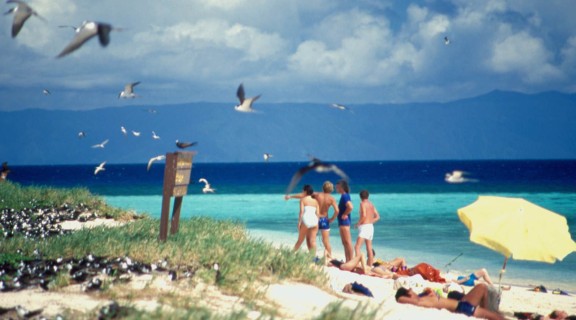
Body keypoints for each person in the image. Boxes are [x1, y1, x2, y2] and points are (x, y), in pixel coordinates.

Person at [285, 181, 339, 257]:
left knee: (309, 239)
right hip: (324, 219)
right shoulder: (332, 199)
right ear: (331, 190)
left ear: (323, 188)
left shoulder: (317, 195)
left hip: (314, 219)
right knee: (326, 242)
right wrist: (332, 219)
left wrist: (291, 197)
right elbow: (337, 210)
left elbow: (303, 195)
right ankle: (329, 258)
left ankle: (312, 257)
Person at [395, 283, 505, 320]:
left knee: (482, 288)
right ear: (409, 294)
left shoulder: (421, 298)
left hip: (462, 305)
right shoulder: (418, 301)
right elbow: (400, 299)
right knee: (498, 317)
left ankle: (488, 312)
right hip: (463, 308)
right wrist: (408, 295)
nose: (413, 291)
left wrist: (430, 292)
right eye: (411, 291)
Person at [354, 190, 380, 266]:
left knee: (357, 247)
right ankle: (369, 266)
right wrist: (370, 221)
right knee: (369, 247)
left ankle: (357, 264)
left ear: (360, 197)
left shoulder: (362, 204)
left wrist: (358, 224)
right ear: (368, 196)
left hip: (364, 227)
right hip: (370, 227)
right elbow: (378, 217)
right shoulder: (371, 204)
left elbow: (364, 215)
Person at [292, 185, 320, 254]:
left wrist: (299, 222)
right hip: (315, 221)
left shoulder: (303, 200)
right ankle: (313, 257)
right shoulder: (315, 201)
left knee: (300, 240)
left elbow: (301, 212)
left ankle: (291, 254)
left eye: (302, 191)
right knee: (313, 241)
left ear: (305, 191)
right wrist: (317, 223)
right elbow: (318, 214)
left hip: (306, 220)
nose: (302, 192)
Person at [336, 180, 354, 262]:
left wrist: (345, 214)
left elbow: (350, 207)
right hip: (342, 222)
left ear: (342, 187)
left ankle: (351, 261)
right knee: (344, 242)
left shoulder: (345, 196)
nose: (336, 188)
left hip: (344, 222)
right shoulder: (343, 196)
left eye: (338, 186)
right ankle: (347, 260)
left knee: (348, 242)